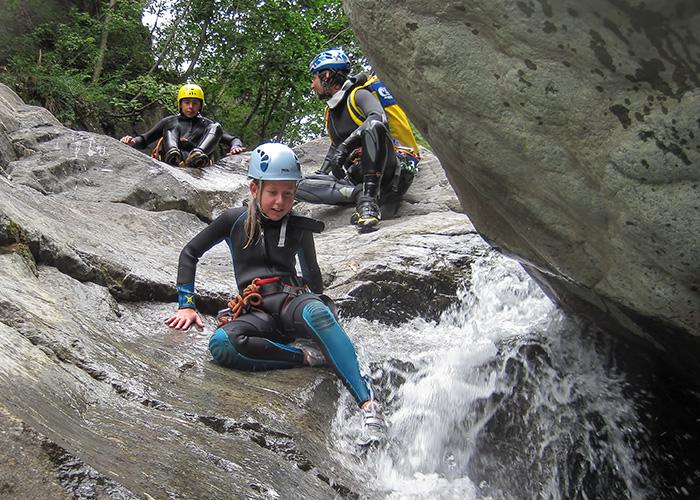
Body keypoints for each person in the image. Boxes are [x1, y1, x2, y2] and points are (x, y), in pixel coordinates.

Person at [164, 142, 385, 445]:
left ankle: (369, 405)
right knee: (223, 343)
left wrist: (324, 320)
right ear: (255, 189)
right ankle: (306, 358)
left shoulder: (299, 226)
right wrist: (185, 305)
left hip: (293, 302)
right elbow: (190, 253)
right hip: (258, 313)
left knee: (318, 312)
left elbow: (312, 275)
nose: (280, 202)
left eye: (288, 194)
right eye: (273, 193)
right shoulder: (233, 220)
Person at [296, 48, 420, 232]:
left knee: (373, 127)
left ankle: (369, 204)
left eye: (314, 78)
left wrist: (345, 147)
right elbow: (334, 147)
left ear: (326, 75)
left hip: (387, 169)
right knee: (293, 184)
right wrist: (322, 173)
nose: (312, 85)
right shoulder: (330, 112)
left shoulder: (359, 95)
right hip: (355, 177)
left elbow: (378, 119)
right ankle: (358, 194)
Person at [120, 83, 246, 168]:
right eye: (187, 103)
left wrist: (236, 146)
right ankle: (173, 154)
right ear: (180, 104)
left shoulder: (207, 125)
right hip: (171, 162)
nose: (190, 107)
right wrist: (132, 141)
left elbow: (233, 139)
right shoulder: (170, 122)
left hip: (198, 165)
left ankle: (198, 155)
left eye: (195, 103)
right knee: (171, 124)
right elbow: (145, 139)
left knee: (216, 127)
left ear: (200, 106)